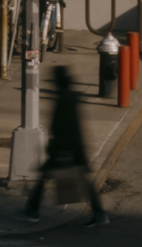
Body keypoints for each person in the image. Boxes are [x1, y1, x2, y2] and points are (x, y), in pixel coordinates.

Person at [22, 63, 110, 226]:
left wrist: (54, 148)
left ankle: (32, 211)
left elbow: (61, 127)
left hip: (65, 149)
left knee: (46, 178)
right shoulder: (68, 96)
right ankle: (99, 213)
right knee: (80, 181)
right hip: (72, 148)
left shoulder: (64, 98)